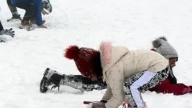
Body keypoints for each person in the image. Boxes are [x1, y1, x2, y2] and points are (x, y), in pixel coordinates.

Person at [41, 36, 192, 96]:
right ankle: (56, 78)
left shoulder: (154, 60)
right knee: (93, 85)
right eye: (172, 60)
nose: (174, 64)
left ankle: (56, 77)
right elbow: (166, 87)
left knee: (95, 83)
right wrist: (189, 89)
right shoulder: (158, 68)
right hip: (118, 75)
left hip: (118, 70)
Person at [64, 42, 169, 108]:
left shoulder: (112, 69)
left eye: (90, 75)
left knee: (130, 86)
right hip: (157, 64)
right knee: (128, 86)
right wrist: (103, 102)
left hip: (157, 67)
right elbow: (113, 87)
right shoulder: (110, 63)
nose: (92, 79)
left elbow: (118, 97)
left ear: (94, 67)